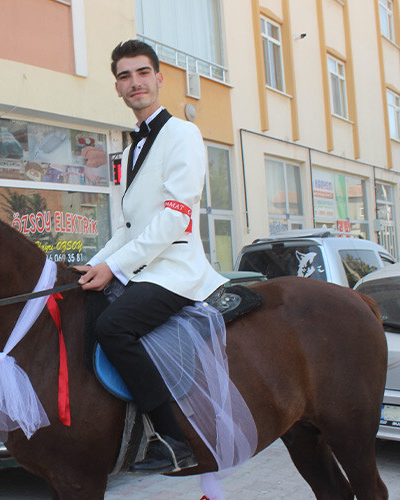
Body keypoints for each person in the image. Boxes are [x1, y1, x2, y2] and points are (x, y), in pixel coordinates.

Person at [76, 39, 228, 473]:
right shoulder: (130, 150)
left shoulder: (183, 134)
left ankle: (174, 439)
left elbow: (174, 219)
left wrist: (114, 267)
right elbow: (128, 228)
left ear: (159, 78)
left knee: (114, 325)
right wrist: (93, 263)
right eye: (125, 76)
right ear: (118, 87)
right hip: (143, 268)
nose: (135, 83)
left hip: (176, 270)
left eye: (142, 73)